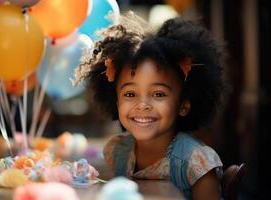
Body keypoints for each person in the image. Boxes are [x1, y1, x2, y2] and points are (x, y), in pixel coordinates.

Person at [75, 12, 228, 200]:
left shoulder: (196, 163)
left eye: (158, 94)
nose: (143, 105)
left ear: (183, 105)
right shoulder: (117, 151)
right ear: (116, 101)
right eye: (130, 94)